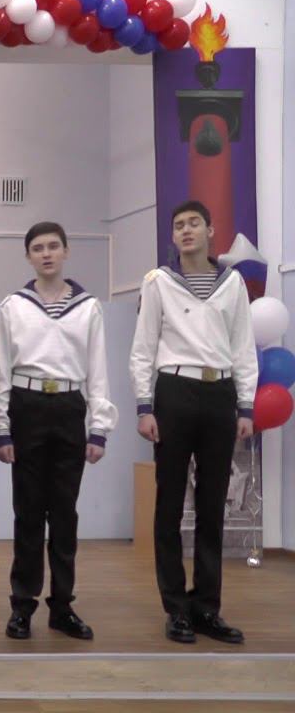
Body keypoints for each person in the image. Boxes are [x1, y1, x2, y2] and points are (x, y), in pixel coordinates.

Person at [129, 200, 256, 645]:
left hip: (219, 393)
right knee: (168, 505)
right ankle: (176, 609)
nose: (186, 230)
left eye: (194, 223)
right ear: (173, 236)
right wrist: (144, 406)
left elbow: (243, 347)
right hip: (174, 392)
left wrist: (245, 406)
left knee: (212, 505)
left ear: (210, 231)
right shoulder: (158, 282)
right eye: (179, 225)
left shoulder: (232, 283)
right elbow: (143, 347)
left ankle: (206, 608)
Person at [0, 222, 117, 641]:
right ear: (28, 256)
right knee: (28, 513)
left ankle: (62, 606)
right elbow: (1, 371)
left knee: (64, 515)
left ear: (66, 251)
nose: (46, 254)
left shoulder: (88, 307)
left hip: (69, 407)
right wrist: (2, 428)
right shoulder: (14, 306)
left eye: (53, 246)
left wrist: (99, 428)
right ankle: (22, 606)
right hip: (25, 406)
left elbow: (98, 370)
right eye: (38, 248)